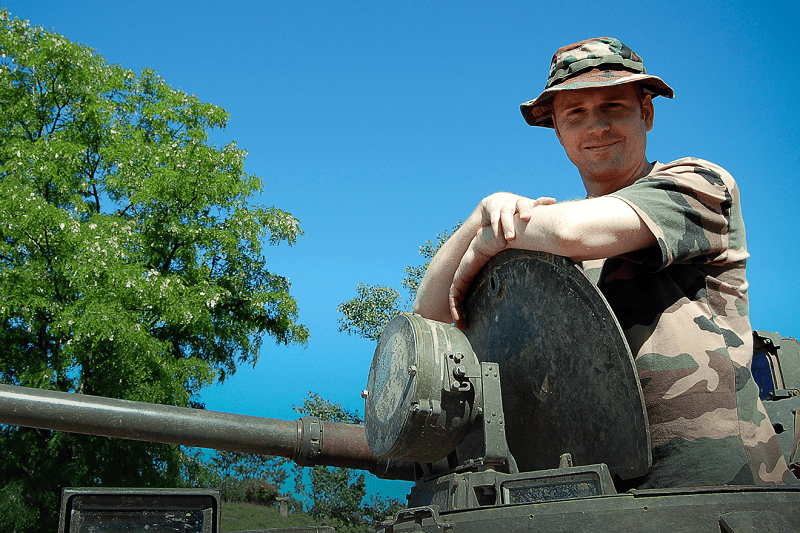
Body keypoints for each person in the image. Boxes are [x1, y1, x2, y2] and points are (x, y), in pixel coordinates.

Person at [413, 37, 794, 488]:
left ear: (646, 113)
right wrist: (479, 220)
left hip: (719, 485)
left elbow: (575, 231)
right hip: (595, 493)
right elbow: (431, 316)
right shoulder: (539, 242)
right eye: (575, 113)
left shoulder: (699, 185)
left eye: (613, 105)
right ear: (558, 130)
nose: (596, 127)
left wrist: (486, 244)